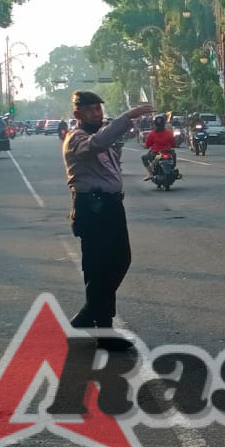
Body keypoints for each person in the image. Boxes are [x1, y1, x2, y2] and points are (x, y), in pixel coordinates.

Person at [62, 91, 154, 352]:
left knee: (120, 260)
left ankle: (87, 315)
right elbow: (98, 144)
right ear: (77, 114)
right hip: (93, 210)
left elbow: (108, 161)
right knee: (99, 269)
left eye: (99, 109)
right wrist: (127, 116)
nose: (96, 114)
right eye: (90, 110)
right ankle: (102, 328)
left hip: (110, 207)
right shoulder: (76, 138)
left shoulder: (97, 138)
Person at [141, 114, 176, 179]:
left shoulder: (152, 134)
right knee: (174, 154)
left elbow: (147, 145)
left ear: (154, 124)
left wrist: (145, 146)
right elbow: (173, 144)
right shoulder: (168, 133)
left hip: (155, 153)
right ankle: (172, 169)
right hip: (168, 152)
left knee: (143, 157)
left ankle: (151, 173)